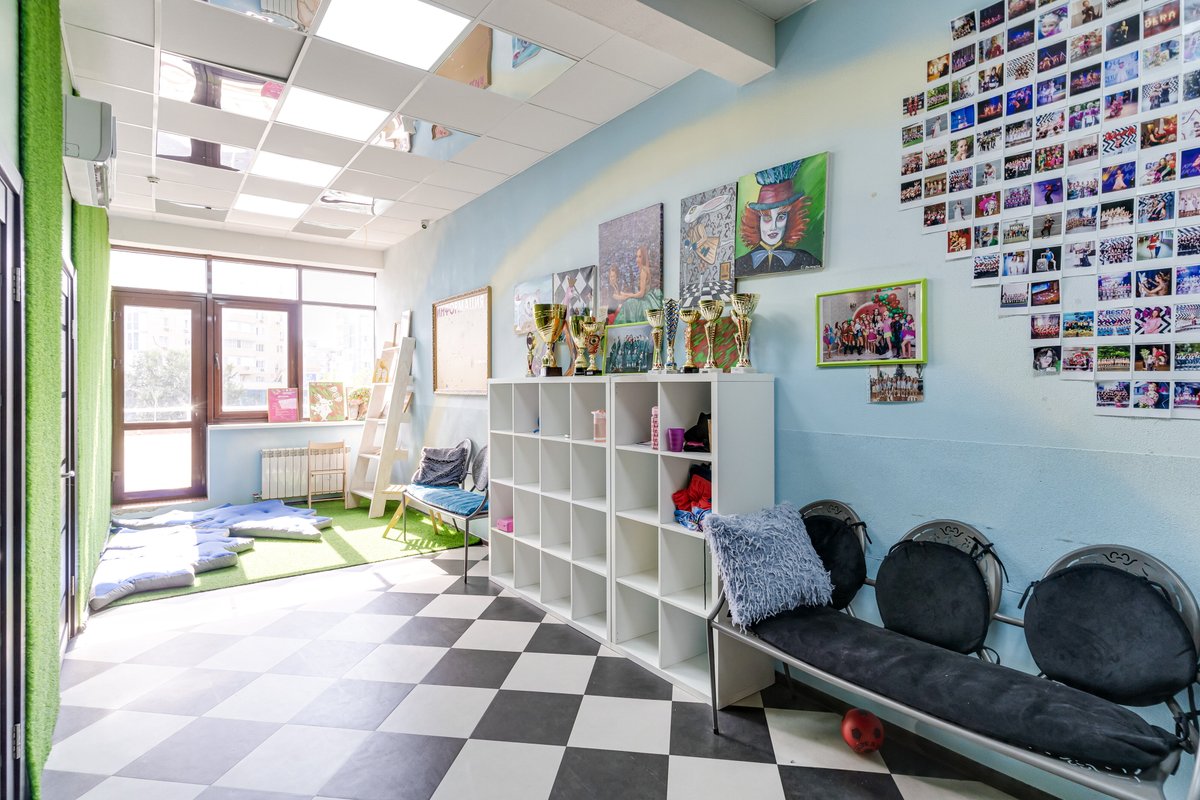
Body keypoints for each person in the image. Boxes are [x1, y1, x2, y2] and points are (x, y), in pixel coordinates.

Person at [734, 160, 820, 276]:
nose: (773, 227)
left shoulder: (806, 260)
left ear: (790, 219)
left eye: (781, 217)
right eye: (766, 218)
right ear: (756, 221)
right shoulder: (740, 265)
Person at [607, 245, 664, 325]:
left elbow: (641, 294)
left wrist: (629, 296)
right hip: (646, 298)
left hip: (645, 300)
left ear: (643, 258)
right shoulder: (645, 269)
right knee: (629, 302)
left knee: (629, 303)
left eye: (640, 257)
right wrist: (627, 294)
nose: (637, 259)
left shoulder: (643, 271)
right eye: (637, 256)